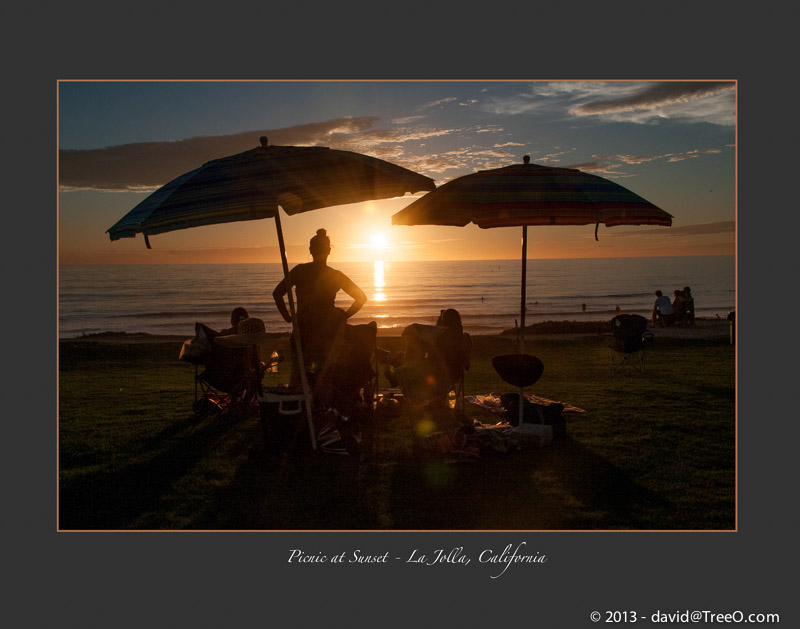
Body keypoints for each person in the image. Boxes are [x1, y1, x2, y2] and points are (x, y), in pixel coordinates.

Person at [272, 228, 367, 375]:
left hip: (304, 330)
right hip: (327, 331)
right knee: (324, 375)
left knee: (300, 374)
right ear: (329, 250)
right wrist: (344, 316)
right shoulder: (336, 275)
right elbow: (361, 298)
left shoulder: (300, 271)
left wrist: (289, 318)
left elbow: (277, 293)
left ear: (310, 250)